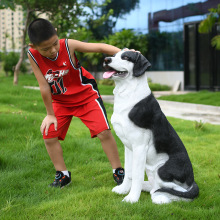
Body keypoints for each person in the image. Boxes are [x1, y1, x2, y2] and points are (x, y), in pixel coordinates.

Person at [27, 18, 125, 188]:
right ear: (33, 46)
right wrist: (50, 114)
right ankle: (63, 174)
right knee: (49, 135)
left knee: (104, 132)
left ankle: (118, 170)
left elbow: (100, 47)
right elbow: (44, 86)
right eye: (45, 49)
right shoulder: (33, 56)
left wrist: (126, 54)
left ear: (57, 33)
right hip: (60, 101)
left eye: (54, 44)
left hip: (86, 96)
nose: (52, 50)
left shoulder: (68, 45)